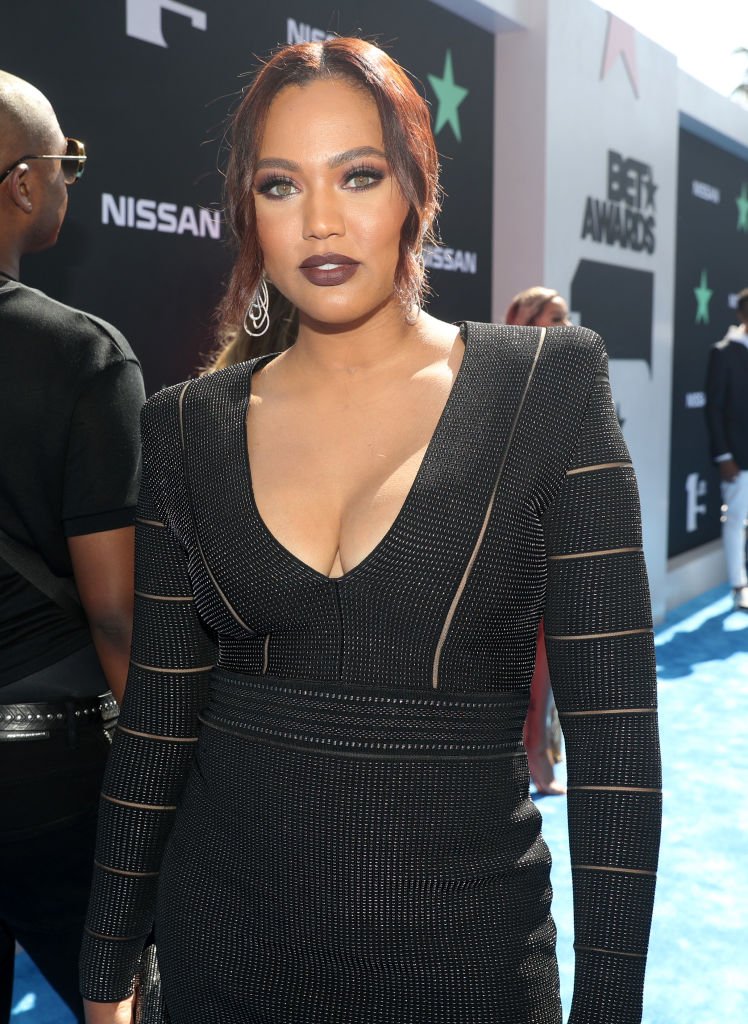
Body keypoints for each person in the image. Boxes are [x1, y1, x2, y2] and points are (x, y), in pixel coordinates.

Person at [80, 38, 661, 1024]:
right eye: (278, 184)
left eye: (357, 174)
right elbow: (157, 726)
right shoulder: (185, 425)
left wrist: (608, 1010)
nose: (318, 219)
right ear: (248, 214)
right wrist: (104, 976)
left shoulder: (549, 388)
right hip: (223, 961)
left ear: (414, 190)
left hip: (463, 972)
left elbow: (615, 749)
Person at [0, 72, 145, 1023]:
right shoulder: (79, 355)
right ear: (20, 183)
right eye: (67, 162)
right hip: (50, 779)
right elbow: (117, 613)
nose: (70, 180)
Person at [504, 286, 573, 797]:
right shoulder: (492, 379)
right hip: (505, 538)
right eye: (554, 318)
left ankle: (539, 752)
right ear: (525, 323)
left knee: (549, 660)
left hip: (557, 533)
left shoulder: (574, 383)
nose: (565, 329)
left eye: (566, 318)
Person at [705, 287, 748, 611]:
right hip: (738, 457)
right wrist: (724, 456)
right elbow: (714, 409)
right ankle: (739, 585)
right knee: (735, 521)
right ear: (742, 315)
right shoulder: (724, 352)